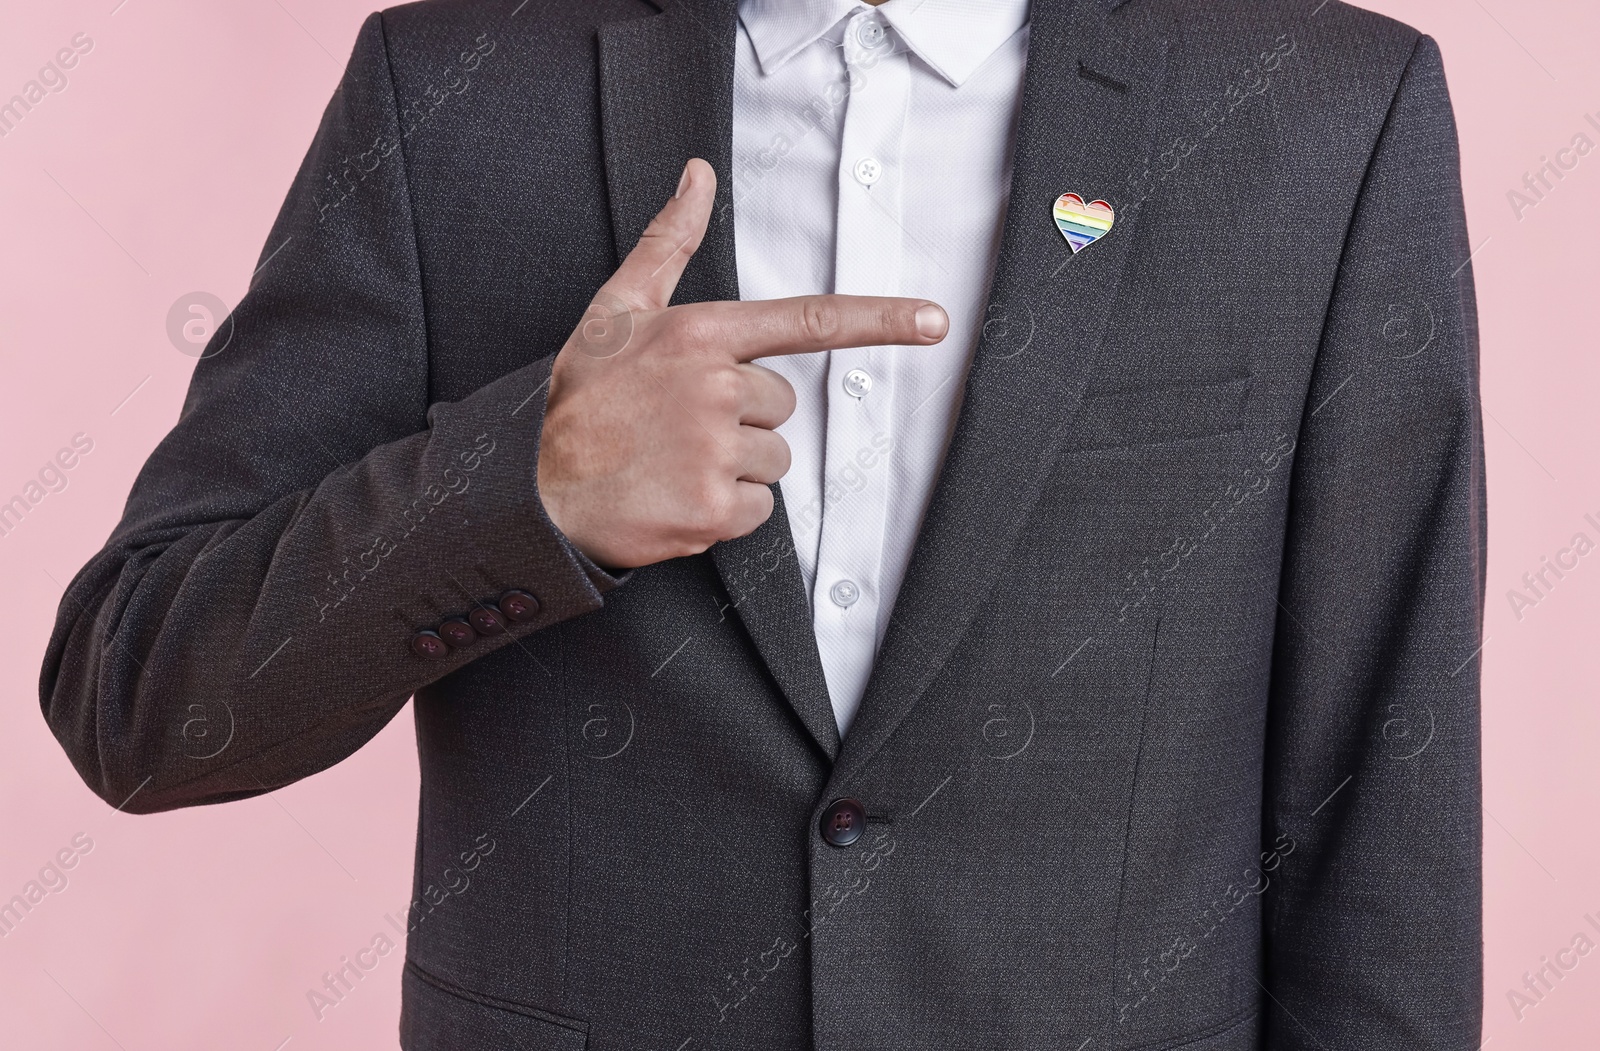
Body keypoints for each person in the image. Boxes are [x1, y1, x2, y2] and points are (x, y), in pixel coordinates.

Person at [42, 0, 1486, 1047]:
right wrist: (521, 488)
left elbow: (1384, 783)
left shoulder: (1327, 115)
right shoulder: (457, 87)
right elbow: (140, 696)